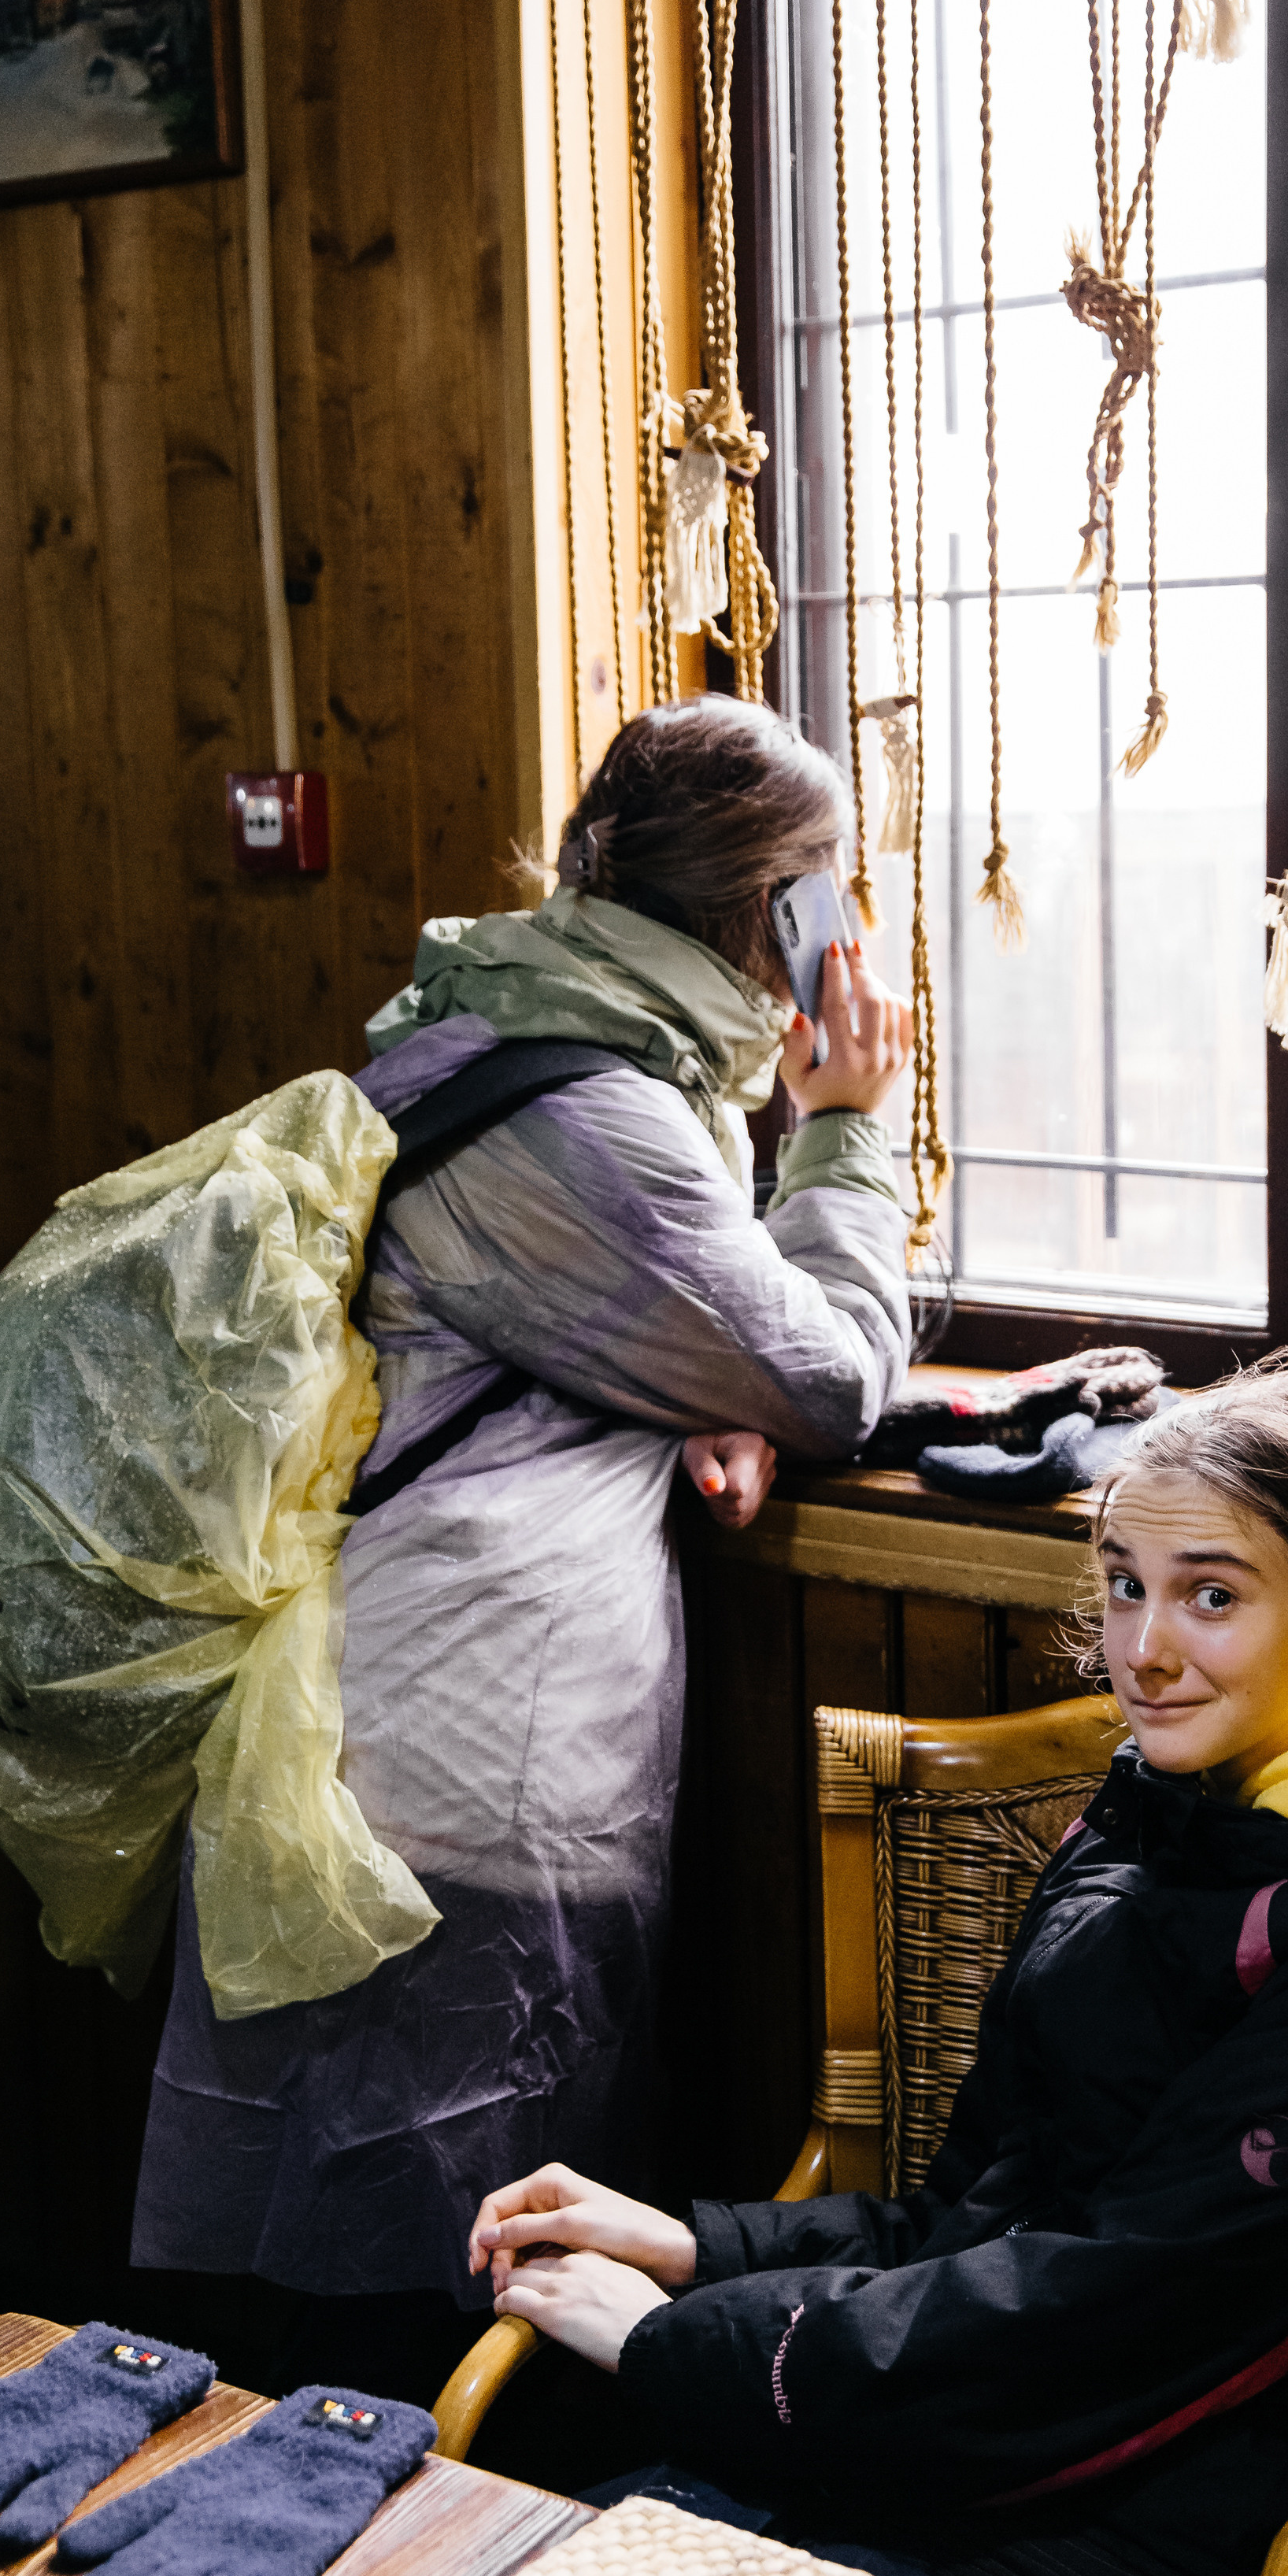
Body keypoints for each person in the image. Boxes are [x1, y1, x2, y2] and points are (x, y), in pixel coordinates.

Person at [467, 1354, 1288, 2576]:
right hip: (964, 2449)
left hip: (1123, 2535)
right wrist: (700, 2248)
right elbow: (983, 2217)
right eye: (1127, 1585)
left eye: (1212, 1598)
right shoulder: (1164, 1821)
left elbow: (1107, 2318)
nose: (1144, 1651)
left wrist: (684, 2345)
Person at [128, 696, 914, 2398]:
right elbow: (832, 1378)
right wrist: (850, 1121)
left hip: (357, 1721)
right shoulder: (606, 1119)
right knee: (438, 2296)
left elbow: (624, 1329)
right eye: (836, 890)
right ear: (783, 914)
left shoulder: (477, 1029)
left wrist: (681, 1392)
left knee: (337, 2270)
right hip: (467, 1762)